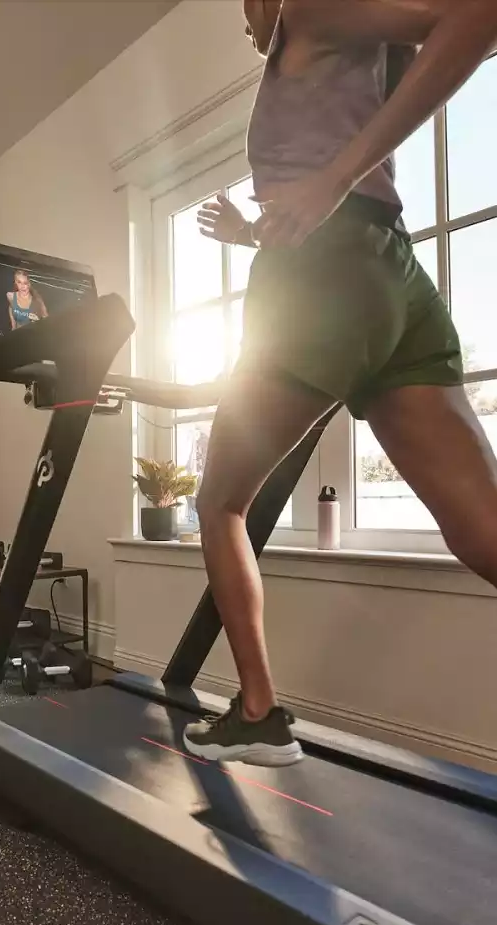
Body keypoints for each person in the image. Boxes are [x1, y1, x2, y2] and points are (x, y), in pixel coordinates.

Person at [181, 0, 497, 766]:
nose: (244, 20)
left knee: (218, 503)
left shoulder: (312, 8)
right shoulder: (324, 44)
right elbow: (325, 201)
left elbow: (479, 16)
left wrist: (330, 177)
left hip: (320, 285)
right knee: (485, 532)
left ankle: (257, 715)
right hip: (389, 281)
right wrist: (253, 229)